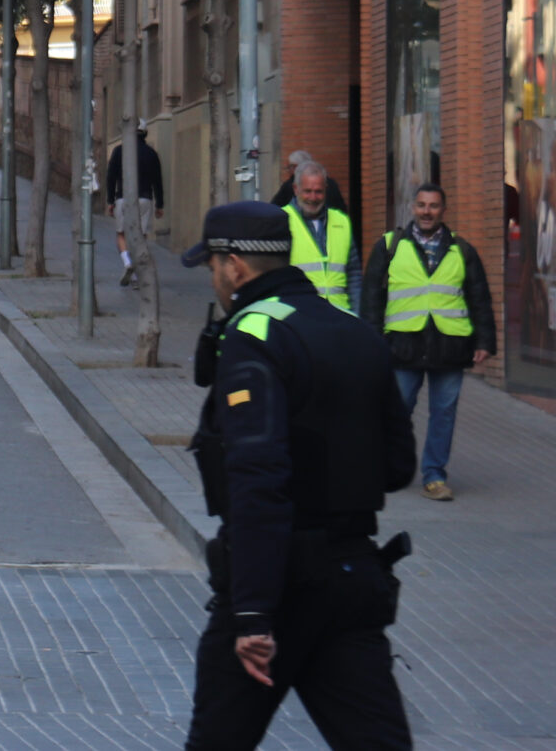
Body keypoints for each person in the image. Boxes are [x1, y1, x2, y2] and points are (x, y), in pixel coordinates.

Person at [178, 200, 416, 751]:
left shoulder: (253, 335)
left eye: (213, 267)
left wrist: (253, 613)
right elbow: (398, 466)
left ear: (235, 266)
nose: (213, 279)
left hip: (278, 586)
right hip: (353, 579)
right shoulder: (354, 329)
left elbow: (257, 479)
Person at [360, 181, 497, 501]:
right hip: (403, 345)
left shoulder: (462, 250)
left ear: (443, 210)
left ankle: (434, 476)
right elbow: (371, 297)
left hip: (449, 346)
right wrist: (372, 340)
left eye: (433, 206)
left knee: (443, 414)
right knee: (396, 411)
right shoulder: (390, 246)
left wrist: (484, 341)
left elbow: (479, 298)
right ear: (413, 207)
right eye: (422, 205)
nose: (427, 211)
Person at [283, 161, 361, 313]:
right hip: (301, 316)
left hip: (339, 315)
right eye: (307, 191)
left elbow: (353, 275)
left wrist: (356, 314)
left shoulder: (341, 221)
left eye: (318, 191)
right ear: (295, 189)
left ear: (326, 189)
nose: (313, 197)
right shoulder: (282, 220)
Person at [106, 122, 164, 287]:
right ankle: (139, 274)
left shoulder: (119, 151)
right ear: (145, 133)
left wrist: (110, 200)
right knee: (141, 237)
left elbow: (111, 177)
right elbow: (157, 181)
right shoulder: (151, 153)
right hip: (145, 199)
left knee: (121, 234)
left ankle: (127, 262)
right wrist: (160, 204)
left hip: (123, 199)